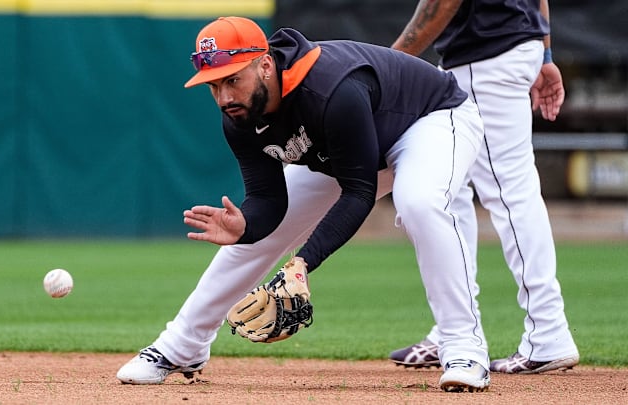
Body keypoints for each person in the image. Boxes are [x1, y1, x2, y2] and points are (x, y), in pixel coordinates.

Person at [117, 16, 490, 392]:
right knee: (246, 241)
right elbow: (268, 199)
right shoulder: (239, 117)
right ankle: (183, 346)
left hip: (432, 120)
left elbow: (358, 191)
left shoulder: (330, 89)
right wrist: (246, 225)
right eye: (214, 85)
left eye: (233, 79)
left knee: (419, 203)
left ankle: (463, 347)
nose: (225, 96)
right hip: (349, 148)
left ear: (264, 65)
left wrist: (303, 262)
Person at [387, 0, 580, 373]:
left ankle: (549, 332)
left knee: (509, 193)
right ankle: (453, 328)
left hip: (485, 56)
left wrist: (388, 64)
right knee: (451, 189)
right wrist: (544, 52)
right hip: (501, 50)